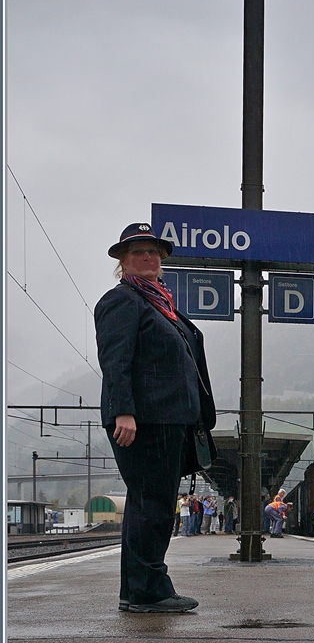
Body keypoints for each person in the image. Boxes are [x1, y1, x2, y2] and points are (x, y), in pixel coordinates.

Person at [96, 223, 215, 614]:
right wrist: (122, 410)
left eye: (154, 252)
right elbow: (116, 361)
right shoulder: (123, 301)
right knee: (155, 505)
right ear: (122, 261)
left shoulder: (160, 304)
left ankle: (136, 589)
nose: (148, 257)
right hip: (146, 418)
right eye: (138, 252)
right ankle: (151, 590)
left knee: (147, 503)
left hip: (168, 418)